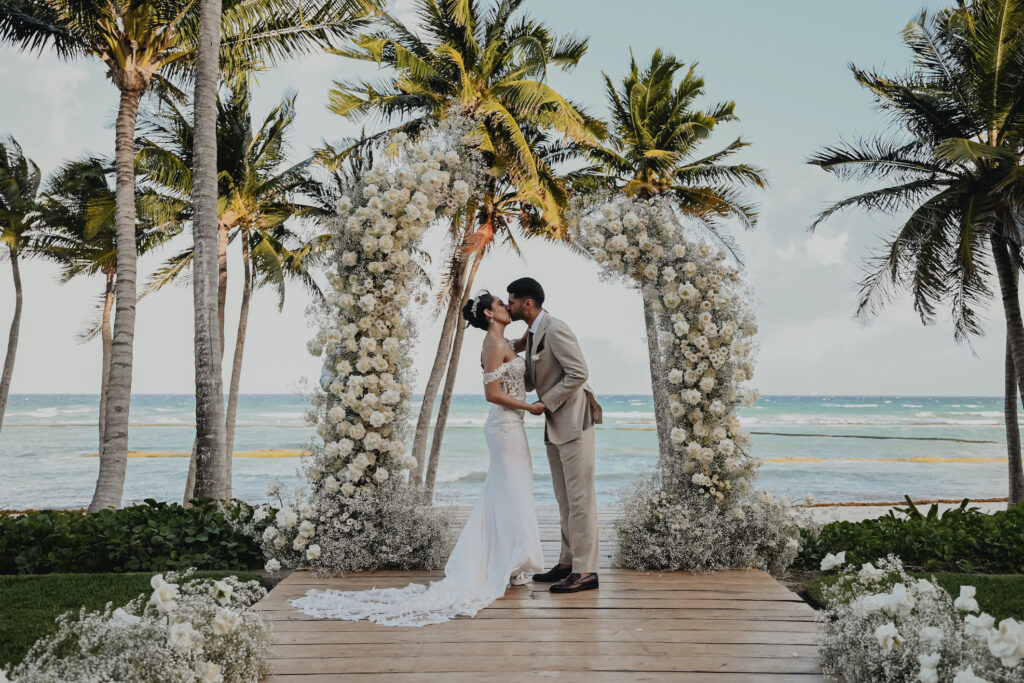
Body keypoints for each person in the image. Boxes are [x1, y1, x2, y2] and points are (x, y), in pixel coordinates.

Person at [289, 291, 544, 626]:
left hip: (513, 429)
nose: (507, 307)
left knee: (507, 493)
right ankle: (507, 561)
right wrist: (531, 407)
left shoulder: (506, 341)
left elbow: (524, 343)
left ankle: (509, 561)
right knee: (510, 491)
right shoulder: (493, 346)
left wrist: (537, 319)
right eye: (501, 304)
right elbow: (491, 394)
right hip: (505, 428)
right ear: (488, 313)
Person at [506, 277, 604, 593]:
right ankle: (567, 562)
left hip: (573, 422)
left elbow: (579, 373)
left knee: (580, 500)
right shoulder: (534, 333)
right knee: (565, 500)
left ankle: (586, 571)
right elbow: (533, 371)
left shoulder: (556, 329)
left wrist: (543, 403)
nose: (509, 306)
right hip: (555, 426)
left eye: (512, 301)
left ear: (528, 303)